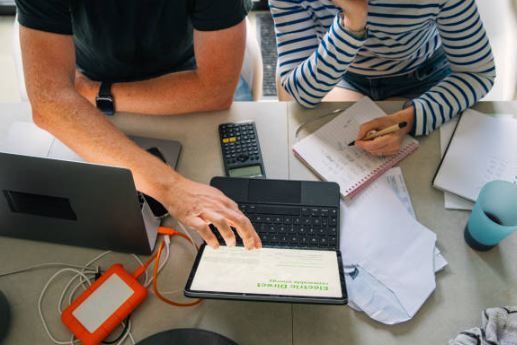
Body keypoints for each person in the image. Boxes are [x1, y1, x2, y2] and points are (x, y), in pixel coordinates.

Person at [15, 0, 261, 250]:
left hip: (185, 70)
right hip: (88, 73)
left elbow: (215, 91)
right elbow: (48, 101)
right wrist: (172, 188)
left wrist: (95, 93)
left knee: (242, 206)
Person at [271, 0, 496, 156]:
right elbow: (299, 92)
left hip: (422, 77)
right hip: (341, 72)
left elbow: (477, 73)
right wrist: (352, 23)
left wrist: (410, 118)